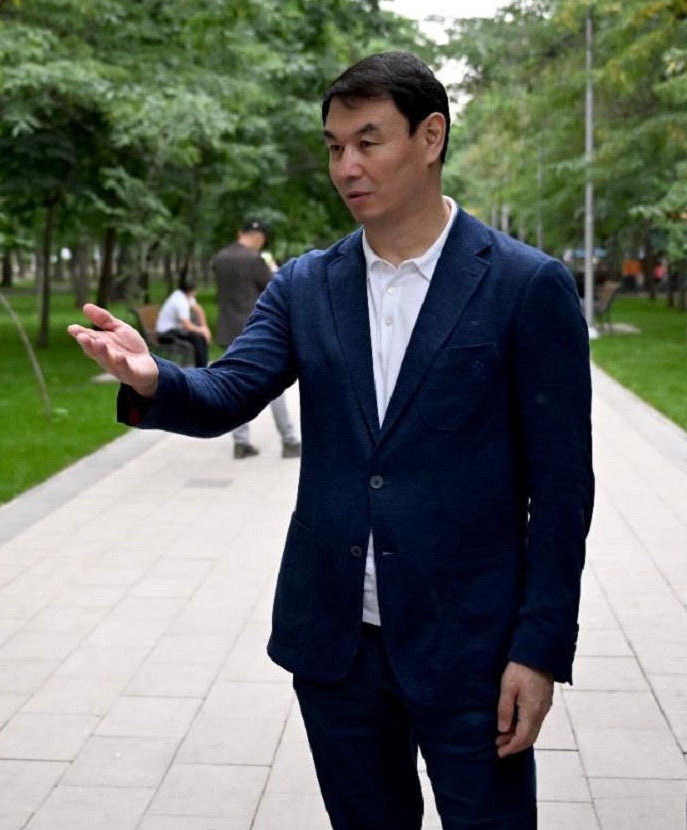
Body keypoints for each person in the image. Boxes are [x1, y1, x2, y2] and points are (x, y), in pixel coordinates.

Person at [70, 51, 593, 830]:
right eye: (334, 146)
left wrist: (540, 648)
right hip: (337, 645)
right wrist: (153, 379)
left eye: (368, 141)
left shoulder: (525, 285)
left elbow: (561, 490)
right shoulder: (307, 284)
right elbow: (229, 392)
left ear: (431, 137)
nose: (346, 166)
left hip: (472, 647)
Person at [213, 217, 301, 460]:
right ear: (259, 237)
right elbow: (276, 288)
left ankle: (240, 442)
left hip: (228, 330)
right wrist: (272, 267)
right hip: (256, 331)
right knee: (274, 386)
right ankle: (289, 440)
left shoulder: (220, 258)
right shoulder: (255, 260)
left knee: (235, 386)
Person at [154, 275, 211, 367]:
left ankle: (203, 365)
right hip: (165, 334)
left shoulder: (185, 295)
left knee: (199, 336)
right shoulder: (180, 301)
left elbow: (199, 310)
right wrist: (202, 330)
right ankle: (202, 368)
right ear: (191, 291)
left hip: (174, 330)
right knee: (198, 337)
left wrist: (205, 327)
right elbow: (187, 325)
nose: (196, 293)